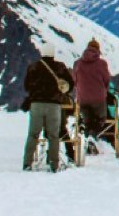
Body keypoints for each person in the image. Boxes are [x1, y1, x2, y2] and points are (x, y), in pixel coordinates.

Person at [22, 44, 74, 172]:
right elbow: (70, 85)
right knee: (53, 136)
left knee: (33, 135)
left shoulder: (33, 67)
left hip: (36, 105)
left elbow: (27, 87)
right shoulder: (60, 67)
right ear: (53, 54)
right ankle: (53, 165)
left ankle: (27, 164)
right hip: (54, 105)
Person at [74, 38, 111, 140]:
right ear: (98, 50)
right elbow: (106, 79)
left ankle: (87, 141)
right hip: (98, 98)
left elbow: (75, 80)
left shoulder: (77, 63)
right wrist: (105, 91)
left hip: (82, 98)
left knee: (87, 121)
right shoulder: (102, 63)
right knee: (100, 120)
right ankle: (92, 137)